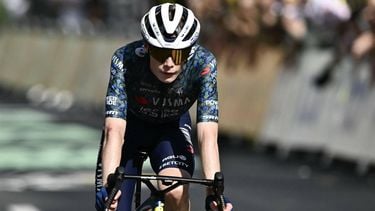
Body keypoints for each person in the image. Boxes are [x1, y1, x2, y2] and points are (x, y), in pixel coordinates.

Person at [95, 3, 233, 211]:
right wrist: (109, 186)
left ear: (190, 50)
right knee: (112, 205)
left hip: (171, 128)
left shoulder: (203, 64)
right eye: (160, 53)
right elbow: (114, 130)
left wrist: (213, 193)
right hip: (130, 130)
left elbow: (207, 135)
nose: (168, 62)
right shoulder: (126, 59)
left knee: (176, 190)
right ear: (147, 46)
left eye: (178, 54)